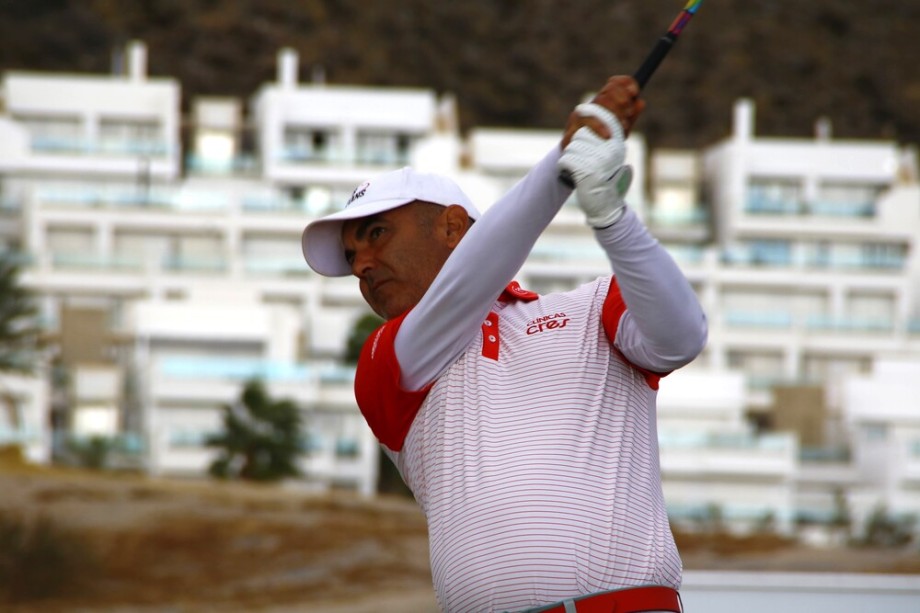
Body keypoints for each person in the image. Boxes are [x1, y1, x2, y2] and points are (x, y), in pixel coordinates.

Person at [301, 75, 707, 613]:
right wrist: (564, 163)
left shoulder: (588, 310)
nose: (363, 266)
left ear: (452, 227)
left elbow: (682, 337)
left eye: (376, 234)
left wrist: (610, 215)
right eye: (352, 259)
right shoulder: (386, 360)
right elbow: (472, 278)